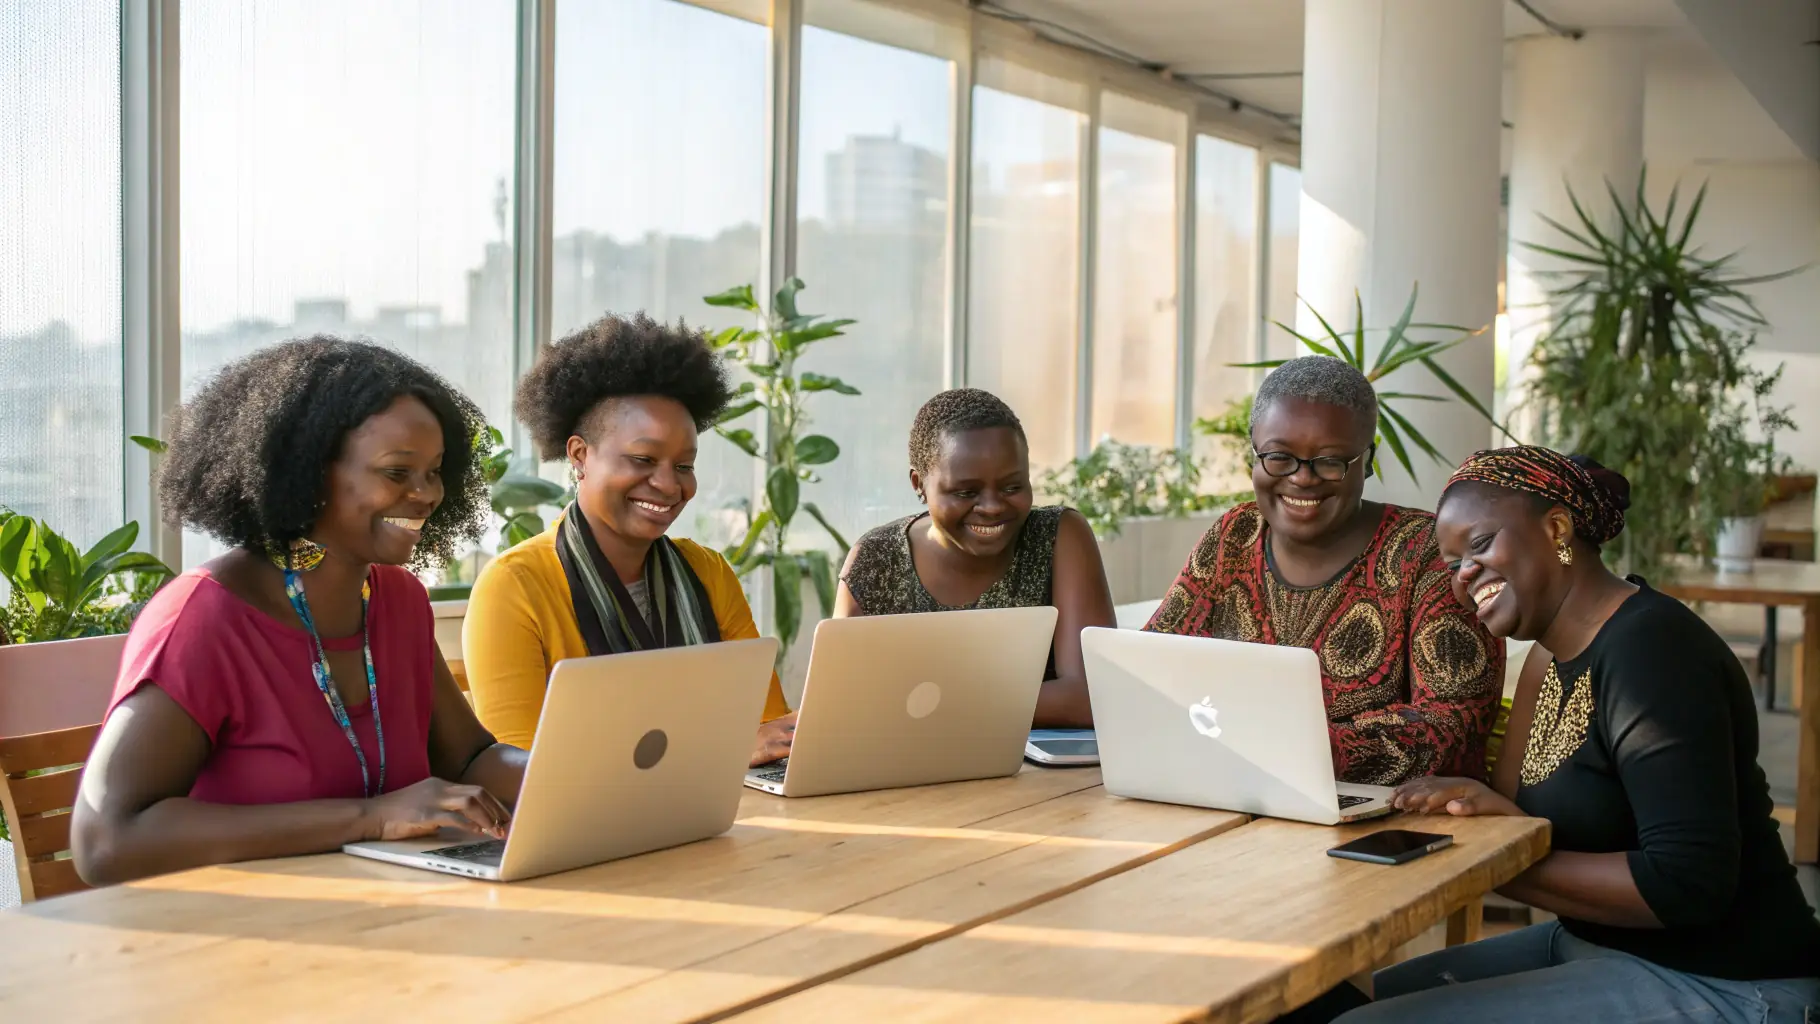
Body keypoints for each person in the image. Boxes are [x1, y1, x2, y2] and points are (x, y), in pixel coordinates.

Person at [1335, 445, 1820, 1024]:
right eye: (1451, 563)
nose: (1464, 575)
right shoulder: (1547, 656)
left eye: (1481, 545)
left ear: (1558, 528)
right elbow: (1514, 819)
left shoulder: (1653, 652)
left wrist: (1495, 855)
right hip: (1599, 948)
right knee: (1344, 1001)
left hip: (1731, 980)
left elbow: (1687, 883)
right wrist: (1472, 807)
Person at [72, 338, 527, 886]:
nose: (427, 494)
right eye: (397, 473)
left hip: (388, 921)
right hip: (240, 935)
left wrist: (576, 776)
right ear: (307, 472)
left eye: (433, 472)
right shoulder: (205, 617)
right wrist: (371, 818)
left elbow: (468, 758)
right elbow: (105, 841)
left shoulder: (398, 599)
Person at [1144, 356, 1502, 785]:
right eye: (1279, 457)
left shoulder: (1423, 552)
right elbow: (1150, 663)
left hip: (1375, 813)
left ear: (1367, 461)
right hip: (1225, 782)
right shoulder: (1233, 535)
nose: (1302, 479)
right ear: (1254, 455)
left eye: (1330, 461)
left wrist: (1299, 748)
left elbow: (1456, 724)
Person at [464, 313, 794, 765]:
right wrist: (720, 748)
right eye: (643, 459)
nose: (668, 485)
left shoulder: (708, 572)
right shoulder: (514, 586)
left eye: (683, 466)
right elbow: (519, 768)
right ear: (580, 455)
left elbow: (770, 728)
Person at [835, 388, 1115, 727]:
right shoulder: (876, 561)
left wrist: (937, 705)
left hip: (1040, 775)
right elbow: (841, 703)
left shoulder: (1059, 537)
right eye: (966, 492)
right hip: (909, 770)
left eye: (1012, 487)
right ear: (918, 484)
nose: (993, 507)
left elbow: (1093, 696)